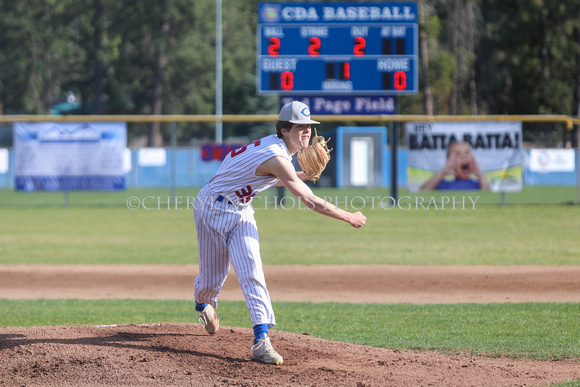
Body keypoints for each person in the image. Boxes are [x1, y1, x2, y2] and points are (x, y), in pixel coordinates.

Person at [193, 101, 367, 365]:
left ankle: (262, 341)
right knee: (212, 279)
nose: (307, 131)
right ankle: (204, 303)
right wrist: (349, 216)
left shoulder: (276, 149)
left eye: (309, 126)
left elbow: (273, 175)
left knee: (252, 270)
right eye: (300, 126)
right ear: (285, 129)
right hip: (211, 208)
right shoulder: (276, 155)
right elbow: (308, 199)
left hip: (241, 211)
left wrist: (302, 175)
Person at [420, 141, 490, 191]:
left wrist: (481, 175)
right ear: (449, 162)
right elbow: (423, 194)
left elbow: (487, 199)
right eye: (457, 154)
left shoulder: (479, 184)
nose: (463, 156)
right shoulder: (443, 185)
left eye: (467, 152)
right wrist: (444, 171)